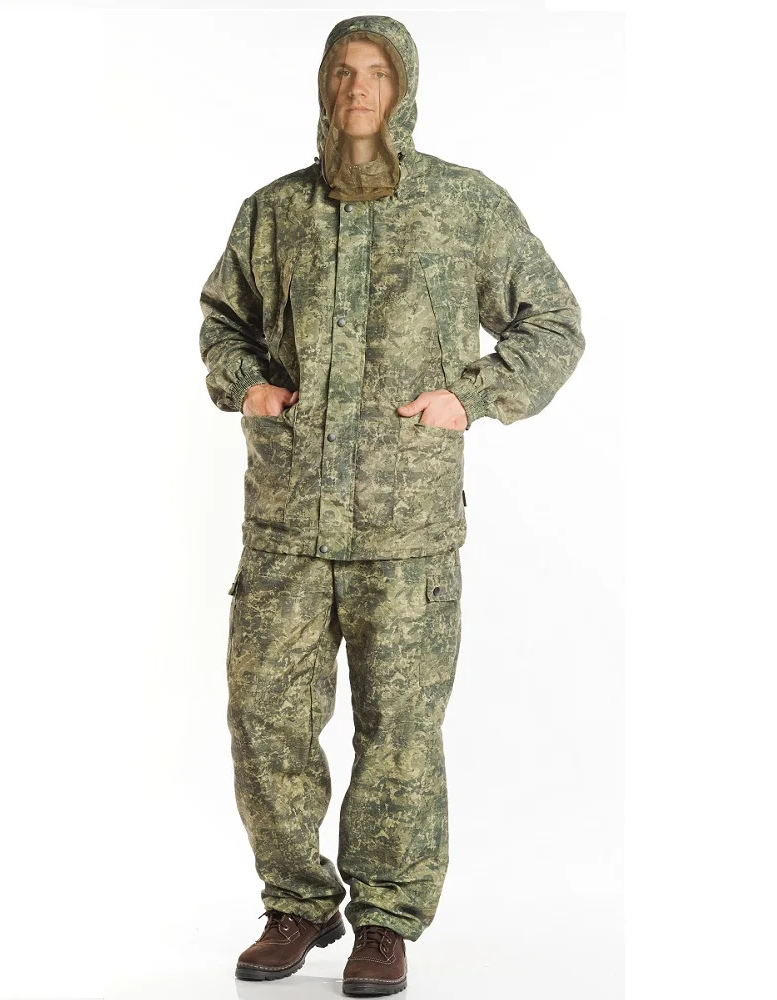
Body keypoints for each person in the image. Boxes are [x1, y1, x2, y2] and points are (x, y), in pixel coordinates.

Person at [198, 14, 584, 996]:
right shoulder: (274, 211)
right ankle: (295, 903)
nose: (357, 86)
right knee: (265, 718)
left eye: (375, 71)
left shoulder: (462, 204)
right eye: (342, 69)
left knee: (400, 731)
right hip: (288, 520)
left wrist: (475, 397)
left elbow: (552, 322)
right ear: (323, 86)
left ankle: (384, 919)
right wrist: (248, 387)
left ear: (402, 86)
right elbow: (223, 322)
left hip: (406, 526)